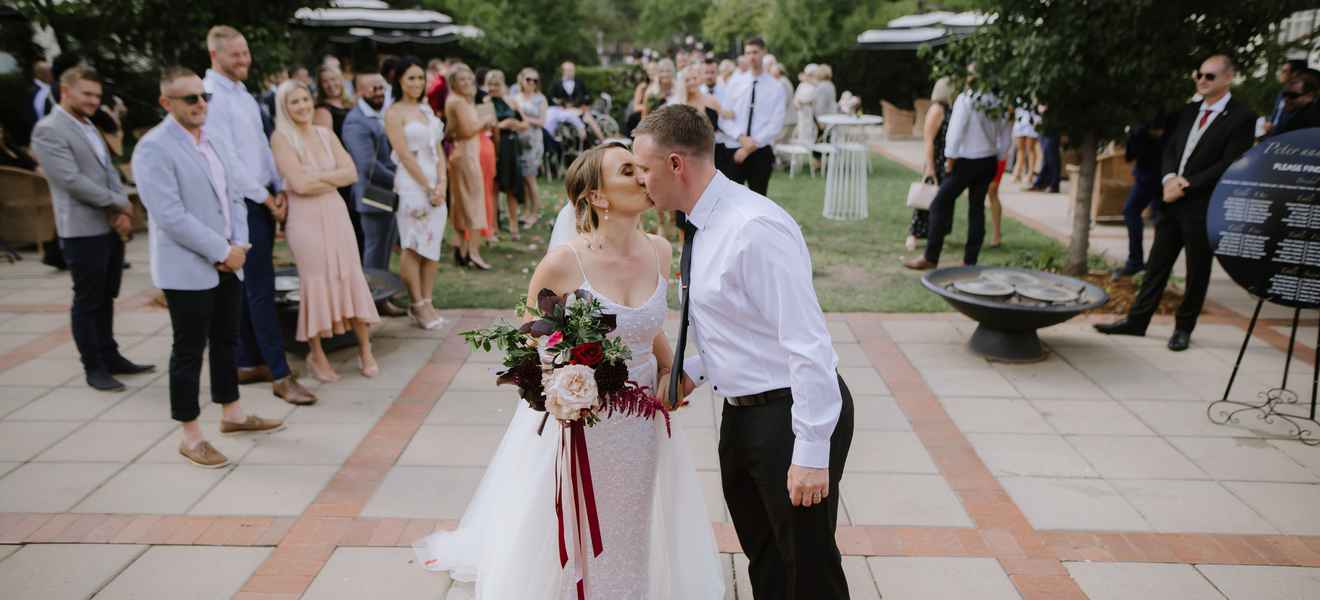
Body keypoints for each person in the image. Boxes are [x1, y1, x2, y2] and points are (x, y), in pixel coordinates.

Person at [414, 142, 725, 599]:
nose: (643, 176)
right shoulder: (566, 261)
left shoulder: (660, 250)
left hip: (641, 419)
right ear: (597, 197)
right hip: (581, 420)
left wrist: (667, 366)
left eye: (641, 168)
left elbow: (645, 325)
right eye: (627, 170)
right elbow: (528, 332)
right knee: (572, 525)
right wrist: (559, 377)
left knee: (632, 520)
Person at [633, 104, 853, 600]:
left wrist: (812, 451)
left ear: (675, 165)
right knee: (766, 558)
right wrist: (692, 369)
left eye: (643, 168)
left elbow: (807, 342)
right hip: (742, 415)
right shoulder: (702, 222)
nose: (639, 180)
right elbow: (736, 324)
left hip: (790, 413)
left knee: (809, 567)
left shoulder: (754, 228)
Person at [135, 66, 286, 468]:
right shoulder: (154, 148)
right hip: (187, 268)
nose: (201, 104)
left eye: (205, 97)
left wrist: (239, 243)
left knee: (226, 341)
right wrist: (221, 250)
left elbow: (234, 193)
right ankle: (190, 435)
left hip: (229, 260)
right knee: (188, 351)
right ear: (167, 103)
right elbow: (170, 215)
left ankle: (233, 414)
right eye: (191, 99)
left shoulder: (213, 137)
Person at [1095, 54, 1257, 352]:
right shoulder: (1188, 110)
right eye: (1199, 75)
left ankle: (1184, 328)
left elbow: (1230, 162)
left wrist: (1187, 185)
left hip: (1202, 203)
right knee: (1157, 264)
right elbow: (1169, 148)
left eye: (1209, 76)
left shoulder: (1242, 117)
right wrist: (1169, 178)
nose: (1201, 80)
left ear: (1227, 78)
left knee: (1197, 269)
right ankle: (1137, 321)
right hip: (1170, 199)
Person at [204, 25, 317, 405]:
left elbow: (261, 149)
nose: (244, 60)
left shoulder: (244, 96)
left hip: (263, 196)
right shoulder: (212, 97)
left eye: (246, 52)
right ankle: (281, 375)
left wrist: (278, 185)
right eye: (236, 54)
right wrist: (266, 200)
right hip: (239, 205)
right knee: (259, 290)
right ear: (215, 56)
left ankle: (247, 361)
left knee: (251, 287)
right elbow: (229, 162)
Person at [30, 65, 153, 392]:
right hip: (81, 229)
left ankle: (111, 355)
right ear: (65, 91)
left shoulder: (88, 125)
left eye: (97, 96)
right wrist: (120, 204)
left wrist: (120, 207)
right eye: (86, 94)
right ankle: (93, 366)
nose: (93, 101)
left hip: (109, 225)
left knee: (107, 295)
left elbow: (108, 171)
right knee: (88, 299)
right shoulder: (49, 129)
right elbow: (70, 180)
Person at [271, 80, 381, 382]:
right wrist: (325, 178)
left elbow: (351, 173)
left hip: (335, 213)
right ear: (284, 108)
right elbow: (300, 185)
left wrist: (314, 177)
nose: (302, 106)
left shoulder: (325, 133)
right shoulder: (281, 139)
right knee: (315, 282)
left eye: (305, 99)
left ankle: (365, 348)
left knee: (349, 273)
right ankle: (316, 354)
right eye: (294, 102)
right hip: (304, 220)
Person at [903, 66, 1012, 271]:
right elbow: (1006, 136)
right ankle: (970, 260)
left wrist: (949, 159)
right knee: (976, 209)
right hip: (988, 160)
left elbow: (954, 133)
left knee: (938, 205)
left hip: (965, 161)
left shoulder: (966, 100)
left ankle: (931, 257)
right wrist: (997, 155)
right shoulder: (999, 102)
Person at [387, 56, 450, 329]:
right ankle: (417, 303)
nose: (416, 83)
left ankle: (428, 299)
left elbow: (438, 149)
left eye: (420, 78)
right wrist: (427, 187)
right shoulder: (394, 112)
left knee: (432, 244)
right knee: (413, 244)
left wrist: (442, 184)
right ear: (399, 80)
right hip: (412, 184)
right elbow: (404, 154)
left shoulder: (427, 111)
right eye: (410, 77)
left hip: (436, 182)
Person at [715, 37, 786, 196]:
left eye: (755, 52)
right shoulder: (735, 82)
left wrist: (751, 145)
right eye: (748, 53)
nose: (751, 57)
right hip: (735, 147)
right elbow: (724, 117)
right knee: (732, 198)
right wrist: (741, 138)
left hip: (761, 150)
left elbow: (776, 123)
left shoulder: (776, 87)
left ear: (764, 52)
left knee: (759, 198)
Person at [1113, 114, 1174, 280]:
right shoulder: (1169, 115)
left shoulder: (1144, 119)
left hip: (1150, 175)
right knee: (1158, 217)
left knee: (1131, 211)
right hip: (1162, 173)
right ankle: (1155, 263)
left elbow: (1132, 153)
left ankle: (1136, 262)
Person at [445, 64, 497, 258]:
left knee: (461, 205)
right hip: (467, 157)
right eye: (462, 79)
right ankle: (473, 253)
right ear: (453, 83)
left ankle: (461, 248)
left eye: (469, 78)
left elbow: (451, 131)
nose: (467, 82)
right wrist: (484, 121)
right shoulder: (457, 102)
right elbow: (467, 131)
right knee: (474, 204)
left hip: (464, 154)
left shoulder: (459, 101)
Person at [314, 65, 362, 254]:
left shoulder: (352, 104)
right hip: (342, 172)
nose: (330, 84)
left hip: (359, 168)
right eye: (325, 81)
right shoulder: (322, 110)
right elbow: (324, 148)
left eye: (333, 79)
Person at [906, 77, 955, 252]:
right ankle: (913, 234)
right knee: (926, 198)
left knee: (940, 200)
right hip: (936, 161)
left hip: (946, 160)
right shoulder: (936, 109)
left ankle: (935, 233)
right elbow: (928, 140)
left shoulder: (949, 108)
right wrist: (931, 166)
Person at [486, 70, 526, 248]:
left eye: (496, 84)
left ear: (503, 85)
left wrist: (515, 124)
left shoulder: (512, 102)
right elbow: (485, 126)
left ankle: (513, 224)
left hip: (511, 146)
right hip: (494, 146)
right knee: (493, 187)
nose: (493, 88)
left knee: (511, 187)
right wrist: (503, 124)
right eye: (490, 84)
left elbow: (525, 124)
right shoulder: (485, 104)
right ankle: (493, 226)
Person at [510, 67, 547, 227]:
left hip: (533, 142)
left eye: (535, 80)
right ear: (522, 80)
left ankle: (535, 212)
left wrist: (525, 118)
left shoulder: (540, 99)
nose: (531, 83)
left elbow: (542, 122)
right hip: (518, 141)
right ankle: (525, 210)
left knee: (530, 178)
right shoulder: (515, 97)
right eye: (528, 79)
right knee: (523, 178)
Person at [1264, 59, 1310, 137]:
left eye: (1284, 71)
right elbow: (1276, 114)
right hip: (1272, 138)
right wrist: (1268, 122)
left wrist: (1275, 129)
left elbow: (1297, 125)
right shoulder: (1282, 92)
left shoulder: (1303, 97)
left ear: (1295, 74)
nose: (1280, 74)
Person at [1273, 69, 1320, 135]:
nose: (1286, 99)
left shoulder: (1305, 121)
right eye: (1285, 94)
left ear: (1309, 96)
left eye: (1292, 95)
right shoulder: (1292, 117)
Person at [1029, 104, 1061, 193]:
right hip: (1042, 125)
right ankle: (1042, 182)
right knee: (1046, 156)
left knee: (1052, 156)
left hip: (1052, 126)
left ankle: (1053, 184)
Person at [1011, 107, 1040, 183]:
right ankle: (1018, 172)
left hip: (1032, 121)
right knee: (1020, 149)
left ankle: (1030, 174)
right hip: (1020, 121)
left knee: (1030, 148)